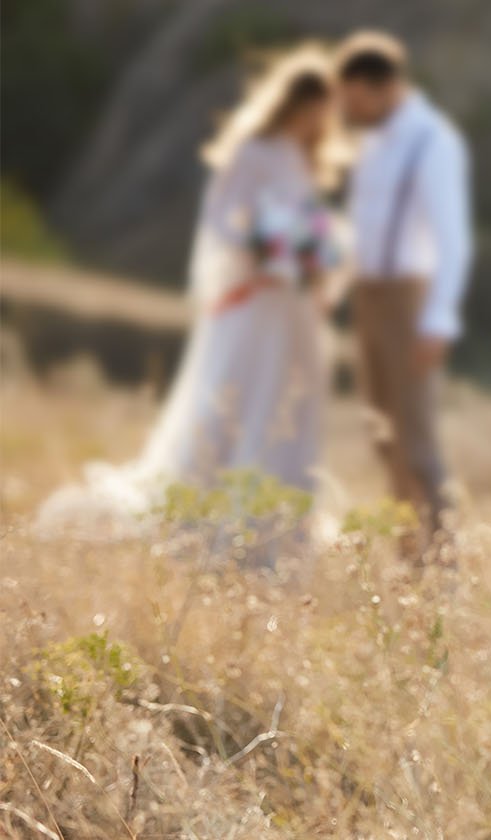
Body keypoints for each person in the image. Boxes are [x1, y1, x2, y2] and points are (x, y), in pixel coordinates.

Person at [37, 47, 342, 565]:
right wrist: (260, 255)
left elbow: (313, 230)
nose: (318, 117)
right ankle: (215, 522)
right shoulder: (252, 151)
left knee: (287, 409)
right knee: (236, 402)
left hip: (291, 308)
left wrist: (314, 262)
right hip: (254, 300)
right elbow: (223, 221)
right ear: (293, 100)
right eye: (313, 104)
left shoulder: (303, 162)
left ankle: (278, 533)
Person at [334, 31, 473, 561]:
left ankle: (441, 565)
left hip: (409, 302)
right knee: (384, 435)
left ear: (383, 86)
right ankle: (408, 551)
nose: (349, 110)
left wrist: (437, 321)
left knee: (417, 440)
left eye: (355, 98)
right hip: (369, 297)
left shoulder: (432, 141)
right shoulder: (373, 144)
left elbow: (452, 238)